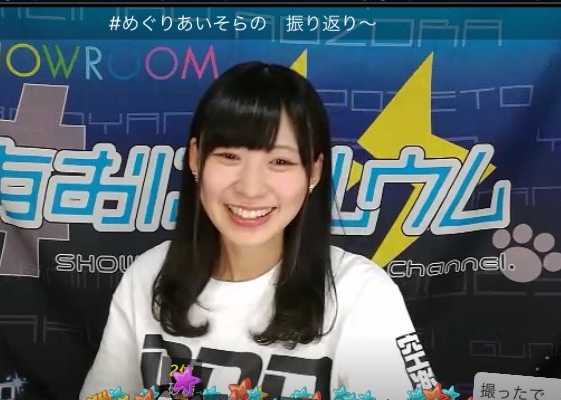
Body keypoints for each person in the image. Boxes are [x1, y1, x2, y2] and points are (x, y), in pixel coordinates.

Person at [79, 61, 435, 400]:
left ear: (313, 172)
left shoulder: (361, 294)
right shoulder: (148, 275)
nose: (250, 189)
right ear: (195, 157)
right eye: (229, 156)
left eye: (280, 161)